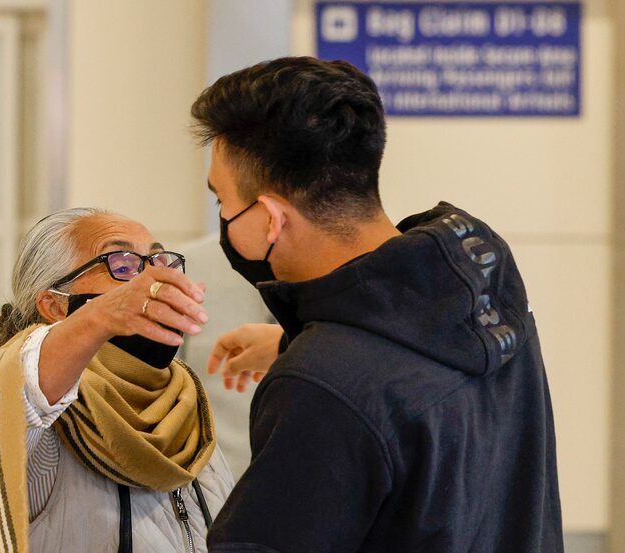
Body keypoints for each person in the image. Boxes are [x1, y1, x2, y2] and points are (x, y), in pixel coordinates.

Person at [191, 57, 563, 553]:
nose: (223, 218)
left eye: (223, 202)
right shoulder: (480, 273)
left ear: (270, 219)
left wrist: (316, 358)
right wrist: (296, 340)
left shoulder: (320, 384)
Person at [0, 208, 234, 553]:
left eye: (158, 261)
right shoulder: (46, 421)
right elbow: (14, 389)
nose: (152, 279)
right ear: (55, 305)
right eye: (122, 267)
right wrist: (101, 317)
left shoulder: (185, 401)